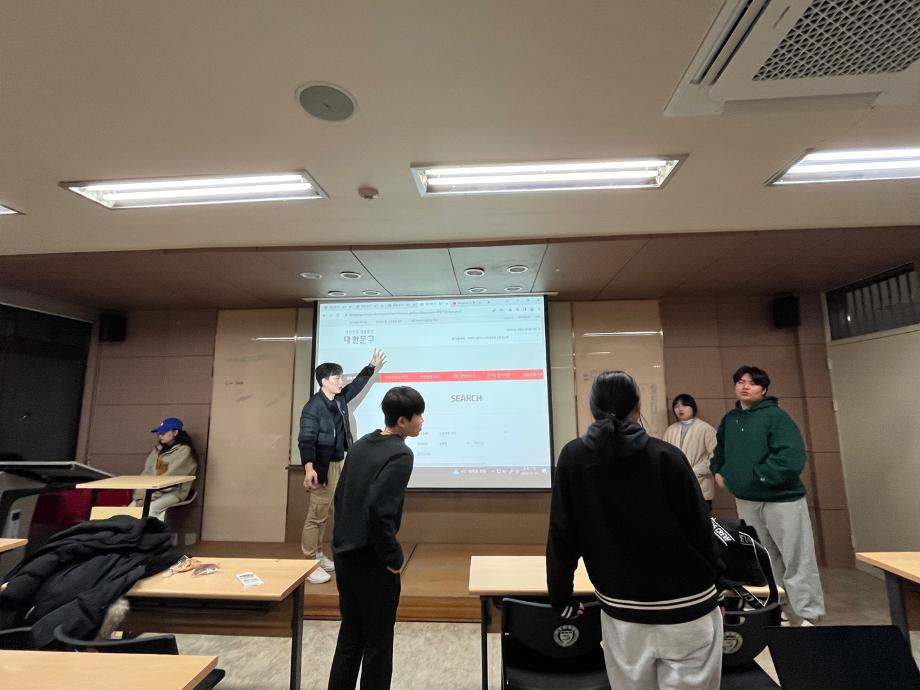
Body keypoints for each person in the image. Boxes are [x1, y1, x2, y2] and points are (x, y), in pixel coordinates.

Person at [547, 371, 723, 690]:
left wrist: (561, 596)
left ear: (592, 407)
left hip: (623, 610)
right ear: (638, 406)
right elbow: (700, 527)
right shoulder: (667, 455)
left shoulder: (573, 457)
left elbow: (562, 534)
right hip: (689, 606)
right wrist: (719, 582)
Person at [711, 365, 825, 625]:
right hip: (746, 500)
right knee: (761, 558)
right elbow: (720, 450)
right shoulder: (730, 419)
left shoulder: (777, 417)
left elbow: (791, 457)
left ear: (763, 389)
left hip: (782, 500)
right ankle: (773, 609)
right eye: (740, 381)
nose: (745, 386)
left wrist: (758, 476)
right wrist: (718, 470)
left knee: (797, 557)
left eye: (752, 383)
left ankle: (809, 615)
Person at [327, 386, 424, 690]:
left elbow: (341, 498)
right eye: (418, 415)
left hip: (345, 556)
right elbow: (379, 510)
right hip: (373, 561)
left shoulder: (360, 446)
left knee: (351, 635)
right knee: (379, 643)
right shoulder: (401, 454)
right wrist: (393, 558)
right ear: (402, 421)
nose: (422, 421)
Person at [298, 349, 386, 584]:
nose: (341, 381)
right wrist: (309, 468)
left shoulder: (338, 400)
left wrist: (371, 367)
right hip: (322, 466)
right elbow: (306, 439)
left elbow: (356, 386)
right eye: (337, 378)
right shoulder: (313, 407)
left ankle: (318, 555)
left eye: (341, 377)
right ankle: (308, 563)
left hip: (339, 461)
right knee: (317, 514)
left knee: (327, 511)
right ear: (324, 381)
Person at [133, 417, 198, 522]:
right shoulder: (158, 449)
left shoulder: (184, 451)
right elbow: (146, 473)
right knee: (130, 510)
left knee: (150, 509)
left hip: (173, 492)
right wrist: (140, 497)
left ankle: (151, 533)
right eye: (159, 433)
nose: (160, 435)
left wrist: (148, 497)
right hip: (152, 492)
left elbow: (170, 479)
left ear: (175, 432)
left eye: (163, 432)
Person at [663, 393, 717, 509]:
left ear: (693, 407)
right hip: (676, 485)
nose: (680, 409)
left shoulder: (705, 428)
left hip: (700, 484)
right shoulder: (670, 430)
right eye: (676, 406)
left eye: (684, 405)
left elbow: (717, 455)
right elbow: (664, 455)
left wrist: (696, 471)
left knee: (700, 517)